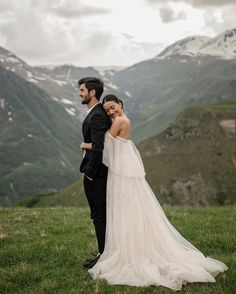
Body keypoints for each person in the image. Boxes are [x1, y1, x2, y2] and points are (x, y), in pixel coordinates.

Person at [80, 94, 228, 291]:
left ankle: (130, 250)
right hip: (124, 167)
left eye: (113, 107)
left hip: (121, 171)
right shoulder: (122, 120)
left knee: (124, 205)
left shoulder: (120, 121)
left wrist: (85, 145)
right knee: (128, 206)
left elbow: (104, 145)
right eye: (107, 110)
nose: (111, 112)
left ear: (120, 104)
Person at [78, 77, 111, 269]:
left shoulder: (97, 115)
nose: (80, 93)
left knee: (99, 215)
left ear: (92, 93)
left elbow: (99, 147)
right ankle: (103, 253)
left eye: (82, 90)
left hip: (96, 175)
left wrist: (90, 173)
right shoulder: (95, 112)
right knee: (99, 215)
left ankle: (104, 256)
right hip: (96, 173)